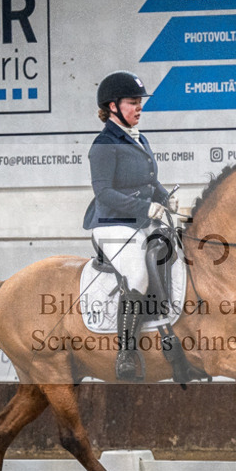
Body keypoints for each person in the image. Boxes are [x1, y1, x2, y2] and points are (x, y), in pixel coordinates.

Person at [83, 70, 178, 382]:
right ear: (113, 107)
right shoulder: (103, 144)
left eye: (140, 103)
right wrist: (146, 207)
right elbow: (104, 194)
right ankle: (125, 352)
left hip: (140, 220)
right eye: (133, 102)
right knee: (136, 271)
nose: (140, 108)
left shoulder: (140, 138)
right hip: (111, 223)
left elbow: (150, 180)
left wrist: (166, 198)